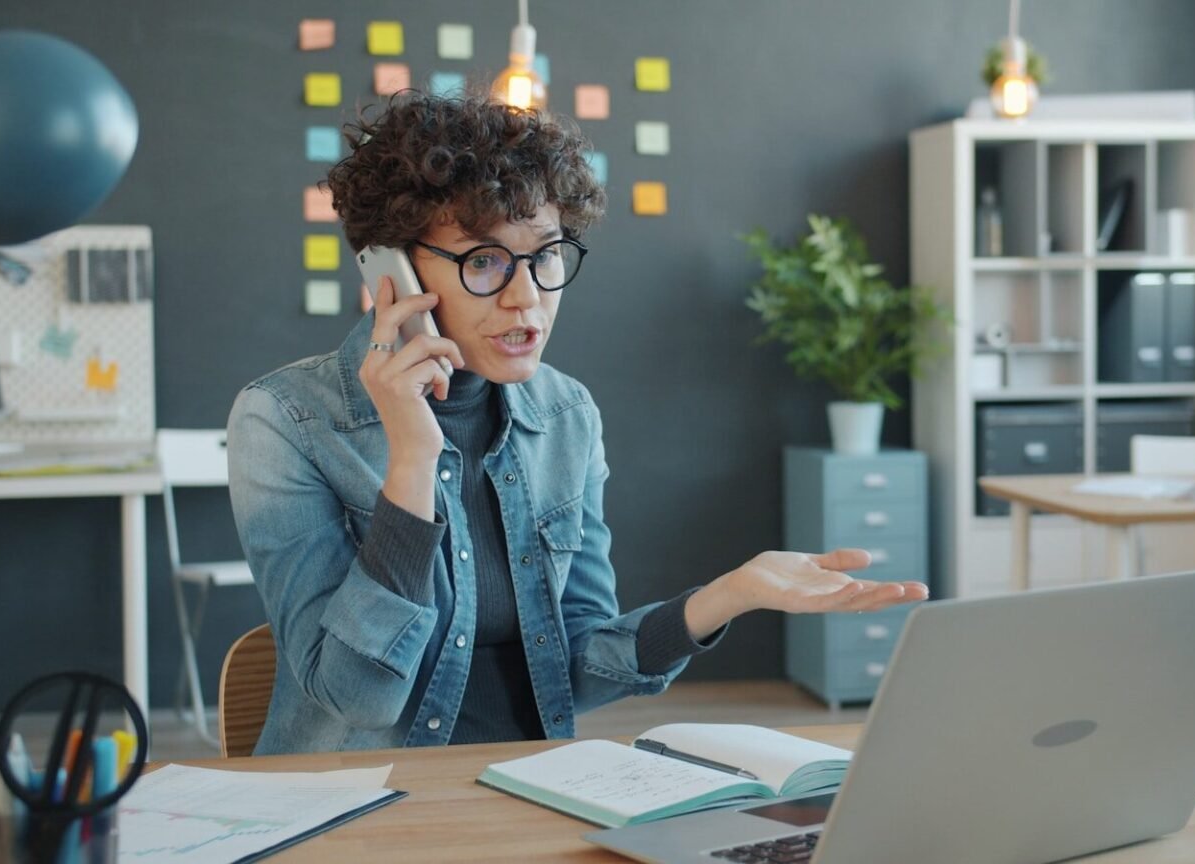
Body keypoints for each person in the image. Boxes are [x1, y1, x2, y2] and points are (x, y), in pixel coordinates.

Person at [226, 93, 927, 755]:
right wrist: (412, 460)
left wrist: (731, 595)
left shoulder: (564, 416)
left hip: (532, 789)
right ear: (390, 274)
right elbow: (358, 696)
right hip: (360, 811)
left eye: (545, 254)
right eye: (486, 261)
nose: (526, 298)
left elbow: (575, 667)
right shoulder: (286, 421)